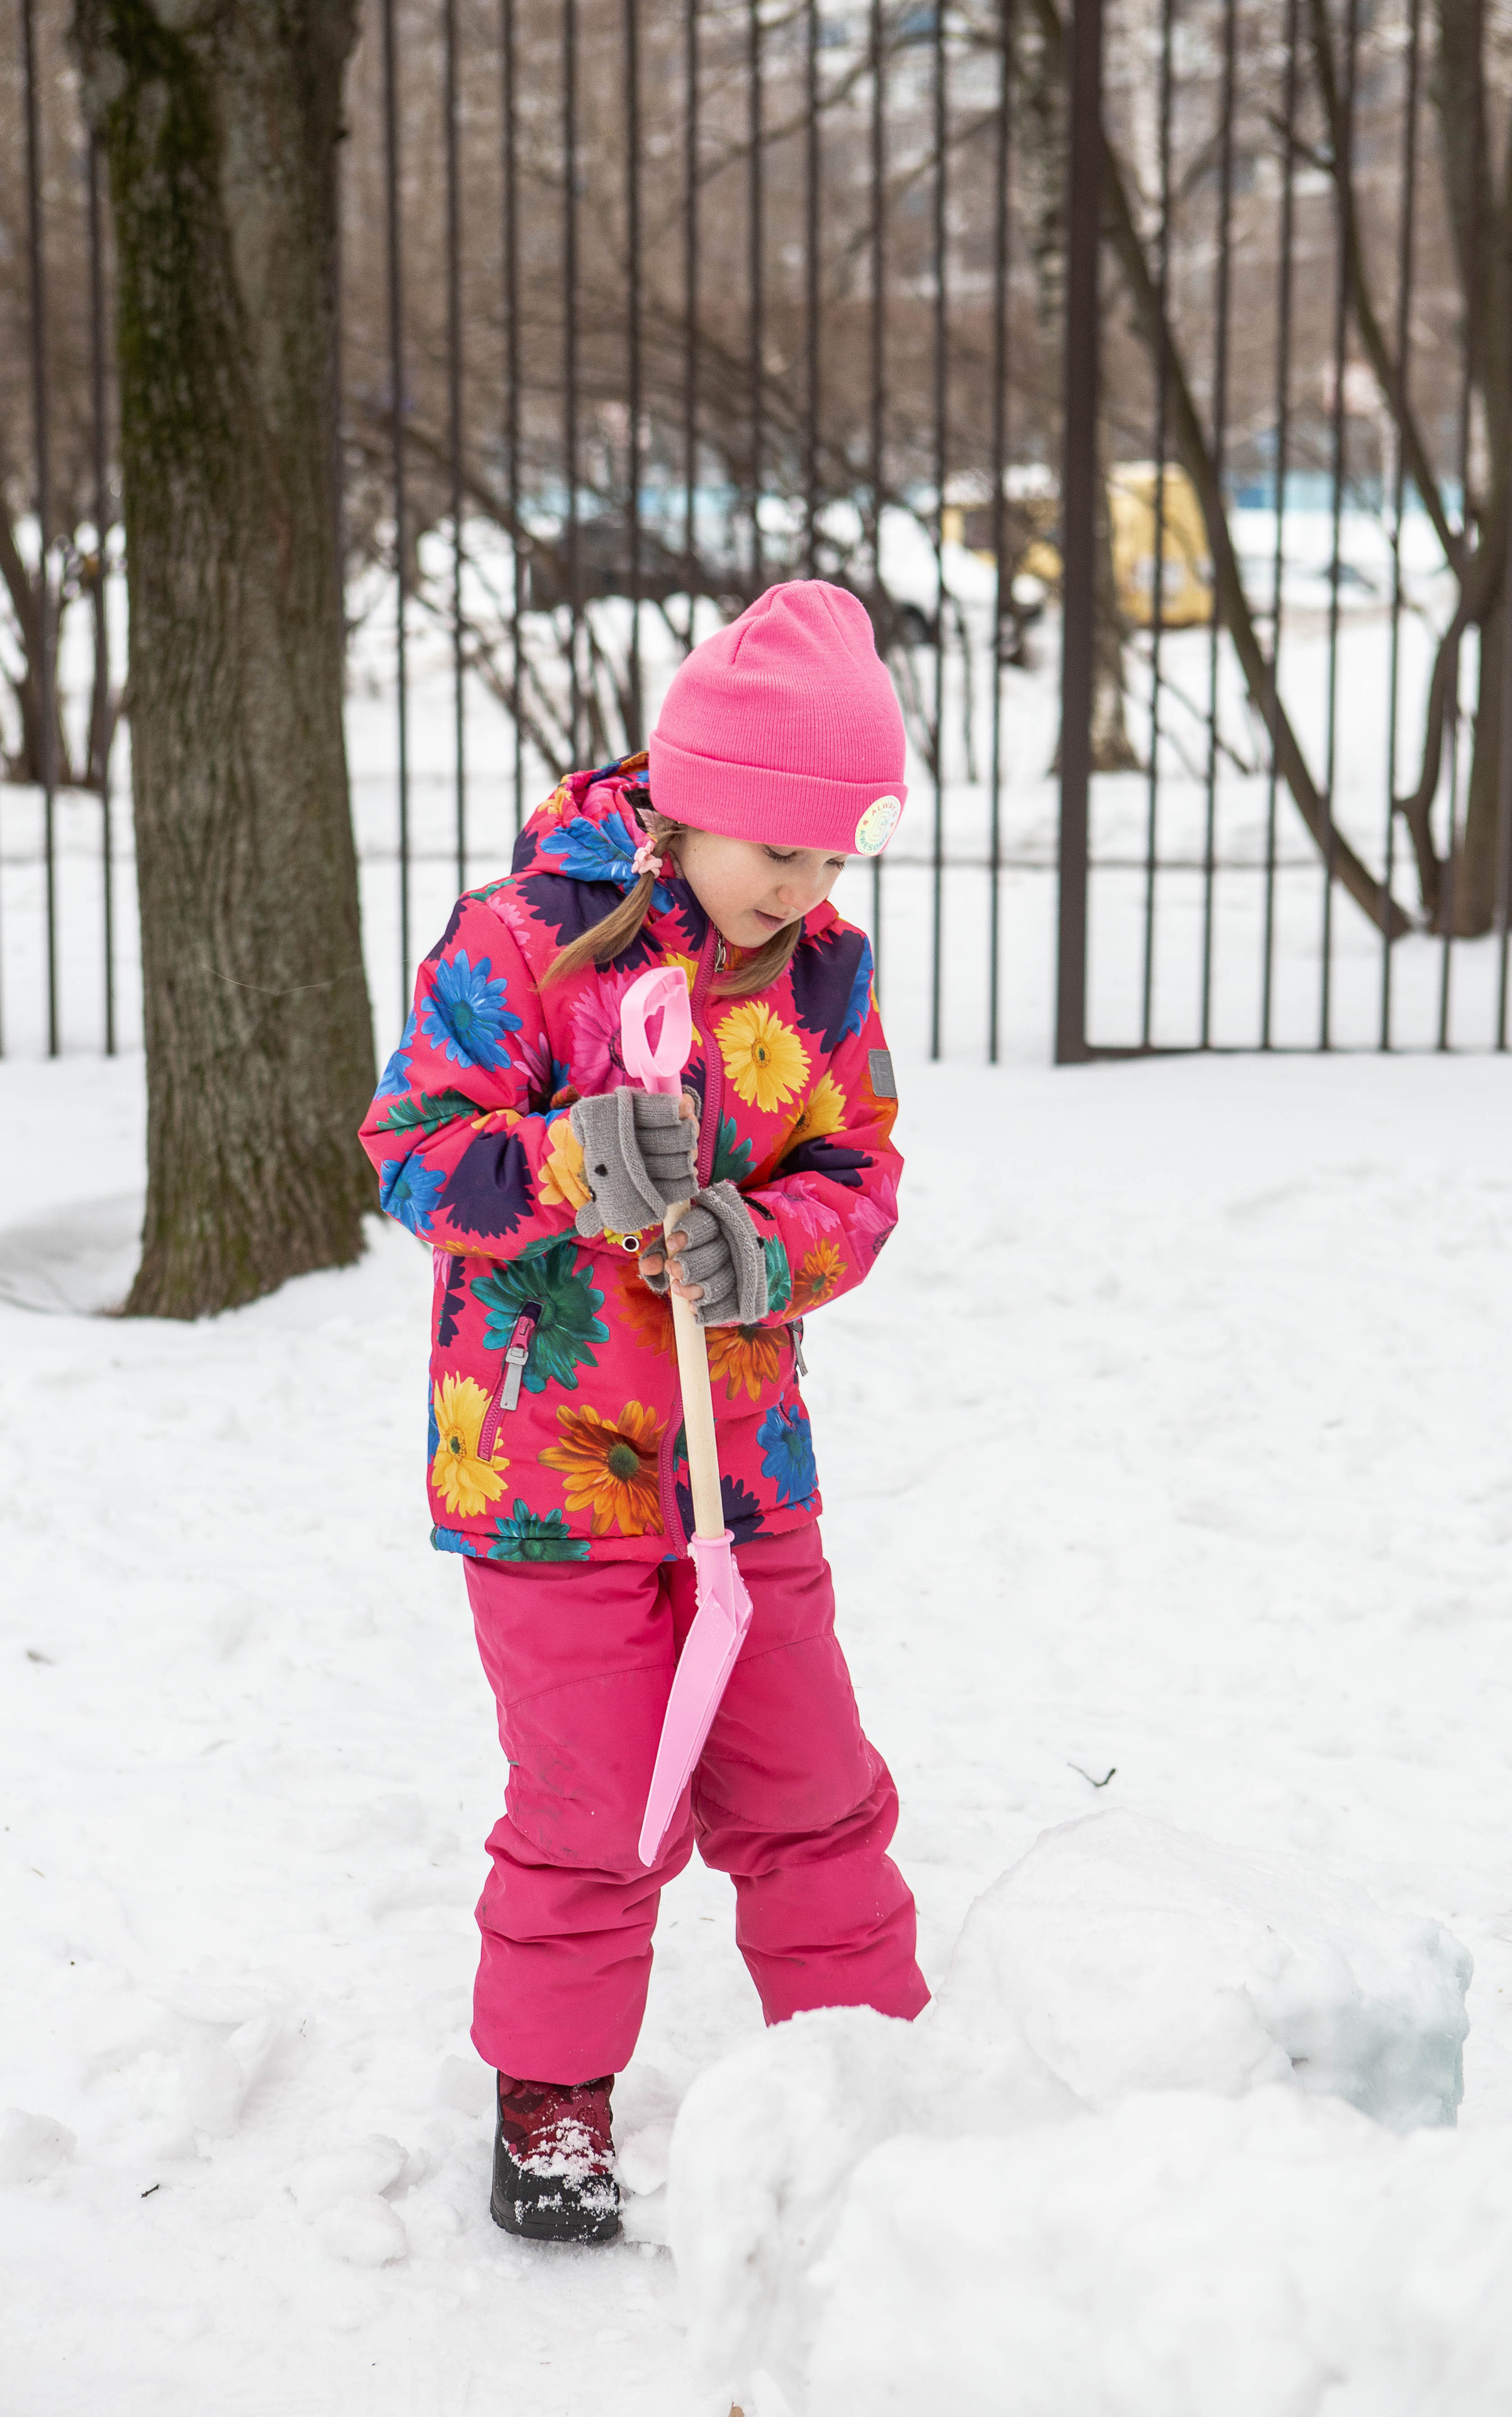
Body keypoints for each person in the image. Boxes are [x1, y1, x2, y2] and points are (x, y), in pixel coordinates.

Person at [359, 580, 928, 2244]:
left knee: (811, 1782)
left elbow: (859, 1171)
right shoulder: (521, 944)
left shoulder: (819, 978)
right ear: (698, 803)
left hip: (744, 1474)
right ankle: (553, 2099)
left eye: (836, 861)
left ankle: (862, 2069)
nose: (809, 891)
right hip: (545, 1477)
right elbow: (414, 1154)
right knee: (594, 1811)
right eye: (786, 854)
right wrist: (575, 1159)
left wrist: (767, 1248)